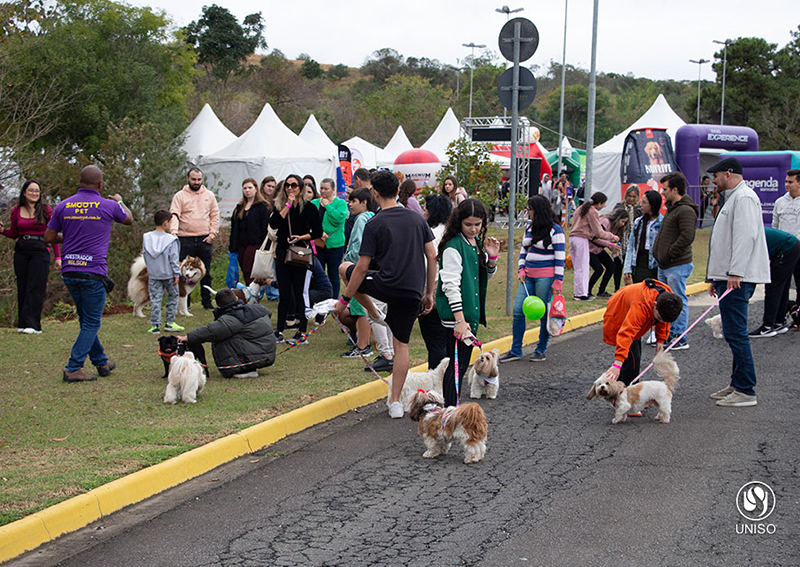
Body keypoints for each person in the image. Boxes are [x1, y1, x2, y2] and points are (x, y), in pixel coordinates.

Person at [334, 170, 437, 418]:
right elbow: (432, 255)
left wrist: (344, 300)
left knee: (344, 269)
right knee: (401, 346)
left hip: (385, 284)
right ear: (398, 189)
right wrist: (428, 292)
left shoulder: (374, 223)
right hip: (412, 290)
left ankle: (374, 312)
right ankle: (395, 403)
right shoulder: (417, 219)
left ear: (374, 193)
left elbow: (360, 267)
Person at [44, 165, 132, 382]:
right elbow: (128, 219)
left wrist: (70, 238)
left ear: (80, 182)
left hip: (70, 270)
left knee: (86, 320)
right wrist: (120, 200)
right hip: (93, 272)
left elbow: (48, 237)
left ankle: (101, 362)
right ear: (100, 185)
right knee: (92, 322)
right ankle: (73, 368)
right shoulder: (109, 205)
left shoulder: (63, 205)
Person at [706, 158, 770, 408]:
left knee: (736, 334)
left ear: (729, 174)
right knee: (733, 333)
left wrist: (735, 273)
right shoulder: (732, 198)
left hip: (737, 279)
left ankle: (746, 389)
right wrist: (716, 277)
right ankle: (737, 382)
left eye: (716, 175)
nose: (713, 180)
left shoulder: (744, 198)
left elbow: (745, 238)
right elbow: (724, 242)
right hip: (728, 277)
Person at [436, 198, 500, 406]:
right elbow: (450, 286)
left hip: (468, 317)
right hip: (458, 319)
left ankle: (449, 413)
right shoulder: (454, 246)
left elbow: (482, 277)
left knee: (459, 368)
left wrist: (492, 259)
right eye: (468, 224)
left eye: (478, 224)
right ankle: (449, 414)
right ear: (458, 222)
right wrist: (460, 321)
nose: (473, 229)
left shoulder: (475, 244)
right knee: (456, 369)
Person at [500, 194, 565, 363]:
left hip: (546, 277)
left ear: (538, 210)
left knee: (543, 314)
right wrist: (521, 268)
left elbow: (560, 257)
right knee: (518, 311)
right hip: (528, 276)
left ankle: (541, 348)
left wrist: (558, 281)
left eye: (529, 209)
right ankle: (516, 349)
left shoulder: (555, 230)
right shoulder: (530, 227)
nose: (528, 212)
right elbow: (524, 250)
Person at [0, 179, 60, 334]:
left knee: (36, 286)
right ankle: (23, 323)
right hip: (22, 250)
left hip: (40, 250)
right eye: (31, 190)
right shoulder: (16, 210)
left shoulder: (46, 210)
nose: (34, 193)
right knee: (23, 285)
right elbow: (13, 234)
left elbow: (52, 234)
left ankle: (34, 325)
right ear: (24, 193)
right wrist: (1, 230)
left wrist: (58, 257)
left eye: (37, 191)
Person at [269, 173, 323, 344]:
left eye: (294, 185)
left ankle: (302, 330)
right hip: (283, 252)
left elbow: (318, 232)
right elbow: (274, 225)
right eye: (287, 185)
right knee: (284, 293)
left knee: (299, 292)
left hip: (300, 252)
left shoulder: (309, 208)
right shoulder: (279, 206)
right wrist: (287, 206)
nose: (290, 188)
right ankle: (279, 330)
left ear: (300, 187)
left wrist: (301, 237)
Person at [178, 288, 276, 379]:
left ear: (219, 306)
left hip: (255, 357)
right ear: (237, 298)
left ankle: (241, 369)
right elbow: (268, 313)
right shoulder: (258, 308)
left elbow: (211, 331)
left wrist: (188, 337)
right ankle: (247, 366)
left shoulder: (232, 318)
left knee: (221, 337)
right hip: (267, 355)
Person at [602, 279, 682, 386]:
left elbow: (663, 321)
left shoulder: (667, 299)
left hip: (636, 318)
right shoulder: (639, 307)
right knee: (632, 364)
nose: (660, 322)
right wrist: (617, 363)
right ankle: (625, 395)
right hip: (618, 314)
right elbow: (627, 333)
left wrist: (660, 341)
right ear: (654, 304)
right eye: (658, 318)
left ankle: (622, 390)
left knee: (633, 360)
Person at [651, 172, 698, 351]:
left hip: (676, 264)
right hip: (665, 264)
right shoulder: (673, 208)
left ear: (675, 190)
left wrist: (670, 253)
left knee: (677, 300)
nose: (662, 193)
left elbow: (687, 236)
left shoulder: (685, 210)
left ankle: (680, 336)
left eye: (665, 189)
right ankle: (668, 334)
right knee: (665, 300)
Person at [169, 167, 220, 310]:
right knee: (184, 272)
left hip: (204, 239)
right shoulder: (179, 196)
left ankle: (207, 302)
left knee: (206, 272)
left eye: (199, 179)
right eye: (193, 179)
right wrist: (173, 232)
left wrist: (212, 234)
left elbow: (215, 215)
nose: (196, 182)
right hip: (185, 238)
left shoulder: (209, 195)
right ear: (187, 179)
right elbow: (174, 214)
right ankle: (186, 303)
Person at [338, 187, 377, 360]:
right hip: (368, 268)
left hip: (356, 268)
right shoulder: (372, 217)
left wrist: (347, 265)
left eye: (353, 201)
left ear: (364, 202)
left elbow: (358, 245)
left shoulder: (362, 219)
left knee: (359, 307)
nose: (350, 205)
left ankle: (363, 345)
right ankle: (365, 342)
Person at [417, 194, 452, 370]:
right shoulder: (453, 233)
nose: (423, 212)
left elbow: (427, 264)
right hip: (453, 293)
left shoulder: (431, 235)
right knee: (447, 342)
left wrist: (426, 292)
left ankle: (437, 383)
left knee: (435, 344)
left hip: (434, 289)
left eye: (425, 208)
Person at [749, 227, 800, 337]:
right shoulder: (752, 230)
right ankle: (778, 322)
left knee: (773, 288)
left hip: (787, 248)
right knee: (783, 287)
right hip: (793, 246)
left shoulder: (746, 237)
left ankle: (767, 327)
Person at [569, 192, 619, 300]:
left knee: (578, 268)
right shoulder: (592, 212)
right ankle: (582, 294)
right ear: (599, 203)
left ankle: (578, 292)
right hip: (581, 239)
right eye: (603, 204)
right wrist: (612, 237)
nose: (603, 206)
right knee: (583, 267)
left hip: (572, 238)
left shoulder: (581, 208)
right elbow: (598, 232)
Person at [143, 210, 183, 334]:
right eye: (170, 222)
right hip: (169, 274)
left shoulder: (147, 237)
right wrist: (177, 273)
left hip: (154, 274)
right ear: (165, 223)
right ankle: (169, 322)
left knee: (155, 299)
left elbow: (145, 255)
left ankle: (155, 325)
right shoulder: (171, 240)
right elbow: (173, 259)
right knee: (172, 297)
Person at [311, 177, 348, 298]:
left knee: (333, 273)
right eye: (321, 188)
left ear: (333, 189)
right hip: (318, 243)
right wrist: (319, 232)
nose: (323, 191)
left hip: (335, 245)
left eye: (326, 189)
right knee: (318, 273)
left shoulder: (340, 203)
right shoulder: (314, 203)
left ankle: (334, 299)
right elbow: (308, 221)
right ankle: (320, 296)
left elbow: (338, 219)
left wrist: (328, 206)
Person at [229, 178, 270, 285]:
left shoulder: (262, 206)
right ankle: (250, 291)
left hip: (255, 243)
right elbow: (234, 228)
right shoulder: (239, 207)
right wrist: (232, 246)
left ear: (256, 189)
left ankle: (253, 294)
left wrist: (264, 245)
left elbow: (265, 227)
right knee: (244, 269)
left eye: (250, 188)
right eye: (245, 188)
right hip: (241, 243)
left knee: (249, 269)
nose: (247, 190)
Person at [771, 169, 800, 304]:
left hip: (798, 249)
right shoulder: (780, 202)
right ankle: (780, 318)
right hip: (783, 251)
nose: (787, 185)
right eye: (786, 181)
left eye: (790, 182)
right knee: (781, 286)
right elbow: (775, 226)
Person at [623, 190, 663, 285]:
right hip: (638, 262)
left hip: (655, 264)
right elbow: (631, 246)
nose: (641, 205)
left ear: (652, 205)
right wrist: (627, 268)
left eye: (644, 202)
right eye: (641, 202)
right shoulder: (638, 222)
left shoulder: (662, 223)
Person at [588, 208, 627, 298]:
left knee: (611, 266)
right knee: (598, 270)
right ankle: (587, 290)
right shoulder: (605, 222)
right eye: (622, 221)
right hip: (591, 249)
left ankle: (601, 291)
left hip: (599, 249)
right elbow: (595, 238)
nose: (623, 224)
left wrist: (614, 248)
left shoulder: (616, 227)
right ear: (617, 218)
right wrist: (609, 245)